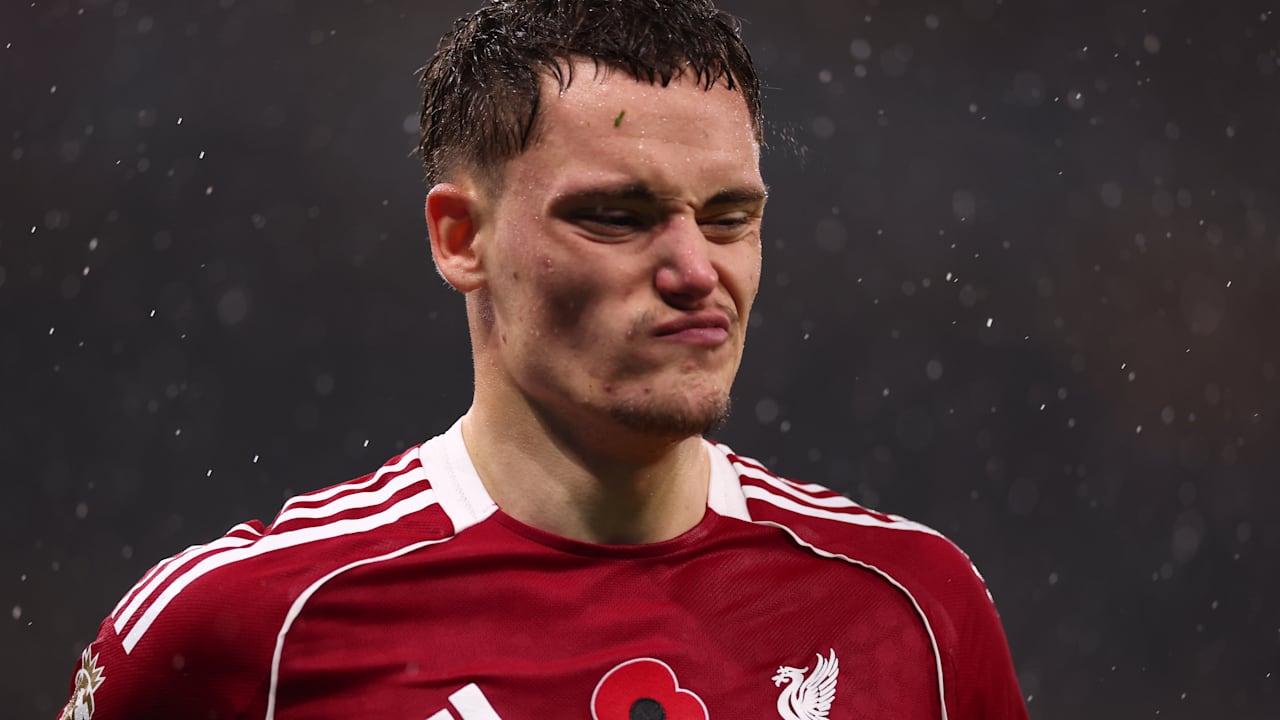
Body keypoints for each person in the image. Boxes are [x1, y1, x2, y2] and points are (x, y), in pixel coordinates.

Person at [58, 1, 1029, 718]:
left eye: (729, 217)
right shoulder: (245, 631)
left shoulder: (915, 610)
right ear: (460, 239)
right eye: (618, 216)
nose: (697, 271)